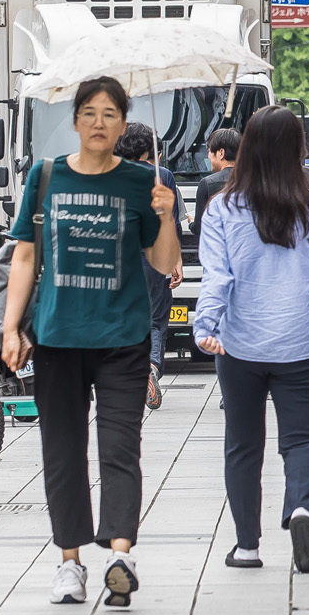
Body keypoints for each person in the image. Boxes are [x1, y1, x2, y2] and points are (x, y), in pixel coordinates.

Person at [1, 76, 182, 609]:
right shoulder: (45, 175)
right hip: (58, 336)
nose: (99, 122)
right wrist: (12, 327)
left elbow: (166, 263)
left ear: (123, 124)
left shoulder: (140, 183)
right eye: (89, 112)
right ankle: (70, 563)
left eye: (110, 114)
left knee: (120, 448)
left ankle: (119, 555)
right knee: (62, 452)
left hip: (123, 338)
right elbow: (26, 256)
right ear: (75, 121)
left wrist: (166, 215)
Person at [194, 107, 309, 573]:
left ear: (247, 148)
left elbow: (218, 277)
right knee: (300, 439)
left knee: (243, 444)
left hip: (240, 344)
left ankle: (248, 547)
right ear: (300, 149)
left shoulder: (223, 207)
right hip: (299, 340)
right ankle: (300, 507)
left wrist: (205, 327)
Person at [117, 123, 188, 410]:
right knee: (156, 318)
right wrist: (177, 261)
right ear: (149, 148)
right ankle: (152, 367)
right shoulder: (164, 176)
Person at [192, 127, 243, 235]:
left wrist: (191, 223)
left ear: (221, 153)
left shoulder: (207, 184)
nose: (208, 157)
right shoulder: (255, 181)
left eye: (209, 151)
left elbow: (199, 228)